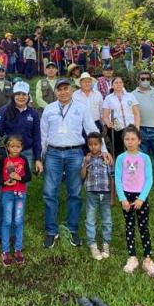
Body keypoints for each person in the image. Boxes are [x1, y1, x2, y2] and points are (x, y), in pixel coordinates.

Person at [40, 79, 109, 249]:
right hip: (53, 153)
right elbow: (43, 134)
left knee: (75, 192)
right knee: (50, 192)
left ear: (72, 90)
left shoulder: (81, 108)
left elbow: (91, 129)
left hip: (75, 153)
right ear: (56, 92)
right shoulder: (49, 109)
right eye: (60, 89)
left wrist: (104, 150)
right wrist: (40, 157)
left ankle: (72, 228)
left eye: (66, 88)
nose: (63, 92)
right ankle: (51, 230)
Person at [0, 81, 42, 250]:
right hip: (6, 155)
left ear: (28, 96)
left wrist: (38, 158)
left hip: (25, 155)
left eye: (24, 94)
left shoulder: (33, 113)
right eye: (18, 94)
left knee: (18, 193)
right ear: (13, 95)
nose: (21, 97)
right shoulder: (4, 111)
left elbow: (37, 136)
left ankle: (12, 233)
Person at [114, 126, 154, 277]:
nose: (130, 142)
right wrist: (122, 199)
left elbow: (149, 179)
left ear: (139, 141)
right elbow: (118, 179)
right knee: (129, 226)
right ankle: (132, 257)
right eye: (127, 139)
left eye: (133, 139)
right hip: (126, 197)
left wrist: (141, 198)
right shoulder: (121, 158)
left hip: (141, 197)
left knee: (143, 227)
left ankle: (147, 258)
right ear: (123, 141)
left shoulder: (145, 158)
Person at [0, 135, 32, 266]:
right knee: (7, 221)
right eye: (12, 146)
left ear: (22, 147)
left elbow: (29, 176)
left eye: (18, 146)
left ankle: (18, 249)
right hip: (8, 194)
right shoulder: (4, 159)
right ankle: (5, 251)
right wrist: (5, 182)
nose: (15, 149)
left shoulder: (23, 159)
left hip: (20, 194)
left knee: (18, 221)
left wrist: (20, 178)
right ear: (8, 147)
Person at [81, 132, 113, 261]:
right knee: (90, 219)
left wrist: (112, 197)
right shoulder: (86, 158)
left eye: (96, 144)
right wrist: (85, 164)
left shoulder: (106, 158)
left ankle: (106, 244)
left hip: (106, 193)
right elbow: (82, 176)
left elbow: (111, 177)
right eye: (90, 144)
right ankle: (92, 244)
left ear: (101, 144)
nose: (93, 147)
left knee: (107, 220)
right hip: (91, 193)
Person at [102, 77, 141, 158]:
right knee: (118, 150)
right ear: (112, 85)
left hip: (130, 127)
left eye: (120, 82)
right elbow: (105, 115)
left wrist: (137, 127)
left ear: (123, 84)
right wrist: (108, 123)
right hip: (117, 127)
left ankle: (133, 164)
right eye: (116, 83)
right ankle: (120, 165)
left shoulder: (130, 96)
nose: (118, 84)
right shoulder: (108, 98)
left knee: (132, 148)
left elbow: (136, 113)